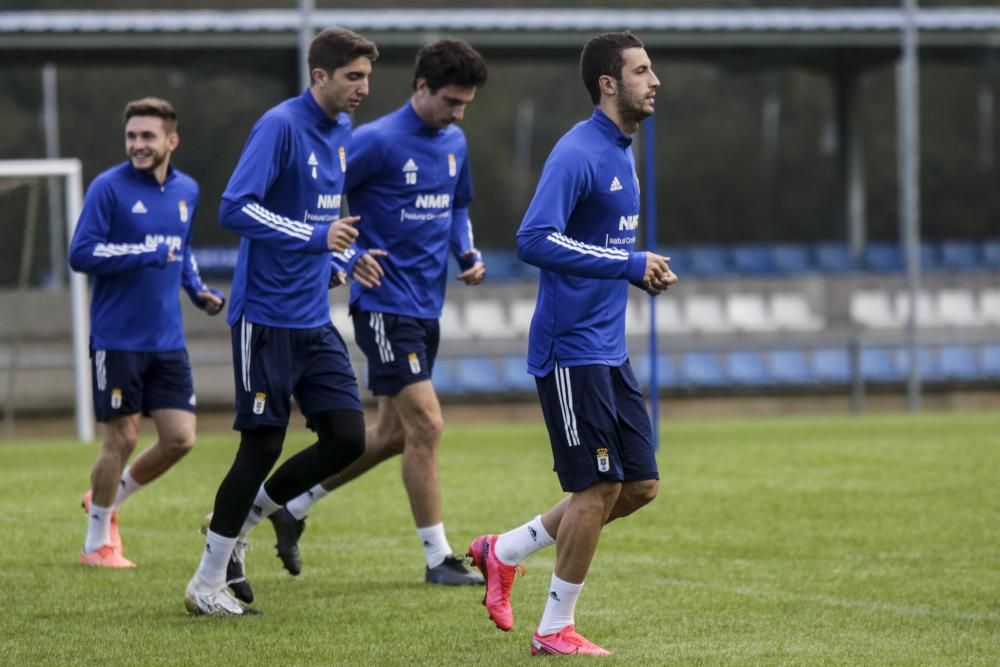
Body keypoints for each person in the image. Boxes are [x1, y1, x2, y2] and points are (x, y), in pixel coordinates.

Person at [466, 32, 678, 656]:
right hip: (570, 352)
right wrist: (627, 264)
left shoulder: (621, 150)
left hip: (608, 348)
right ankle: (554, 629)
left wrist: (635, 269)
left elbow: (604, 251)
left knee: (638, 486)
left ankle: (502, 552)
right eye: (642, 71)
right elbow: (533, 240)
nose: (655, 80)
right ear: (608, 84)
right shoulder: (577, 151)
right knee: (597, 489)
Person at [265, 38, 488, 586]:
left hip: (426, 306)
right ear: (420, 88)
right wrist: (346, 253)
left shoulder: (455, 141)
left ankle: (293, 505)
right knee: (429, 424)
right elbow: (317, 198)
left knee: (390, 435)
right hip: (383, 305)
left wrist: (468, 251)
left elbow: (458, 206)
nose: (459, 113)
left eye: (465, 104)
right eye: (451, 102)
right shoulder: (376, 142)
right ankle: (439, 560)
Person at [182, 27, 381, 616]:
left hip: (312, 317)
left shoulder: (340, 131)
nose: (363, 88)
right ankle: (206, 583)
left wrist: (343, 257)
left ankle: (243, 521)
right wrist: (318, 237)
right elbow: (235, 208)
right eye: (353, 77)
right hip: (264, 317)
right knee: (262, 444)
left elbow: (321, 217)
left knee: (348, 438)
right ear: (318, 75)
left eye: (367, 77)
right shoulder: (279, 125)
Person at [69, 97, 225, 569]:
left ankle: (106, 494)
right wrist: (142, 252)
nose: (138, 145)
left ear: (171, 141)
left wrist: (196, 290)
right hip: (117, 338)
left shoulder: (187, 190)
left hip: (167, 338)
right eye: (132, 136)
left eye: (148, 137)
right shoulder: (107, 188)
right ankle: (97, 542)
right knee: (123, 438)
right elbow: (81, 254)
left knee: (181, 439)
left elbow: (182, 249)